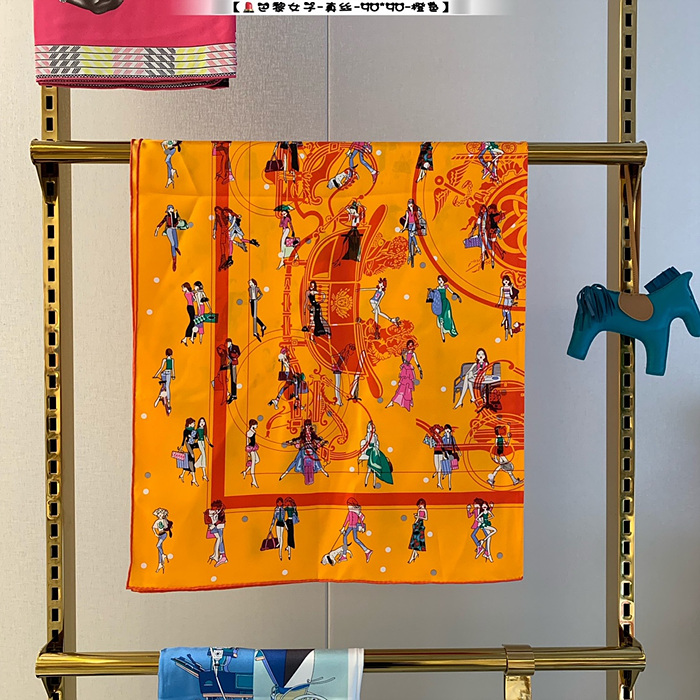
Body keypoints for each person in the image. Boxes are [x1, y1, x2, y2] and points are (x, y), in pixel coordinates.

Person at [280, 420, 329, 485]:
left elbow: (316, 438)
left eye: (309, 425)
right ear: (304, 426)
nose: (307, 426)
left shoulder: (312, 433)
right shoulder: (303, 433)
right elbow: (299, 438)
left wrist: (322, 441)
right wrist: (291, 441)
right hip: (304, 447)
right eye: (306, 425)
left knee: (315, 456)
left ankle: (322, 469)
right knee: (297, 458)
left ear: (310, 425)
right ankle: (286, 472)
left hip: (311, 447)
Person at [386, 339, 423, 411]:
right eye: (409, 345)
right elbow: (403, 360)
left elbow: (417, 362)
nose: (410, 347)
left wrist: (420, 371)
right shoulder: (405, 352)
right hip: (405, 370)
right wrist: (403, 355)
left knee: (408, 387)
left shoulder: (413, 354)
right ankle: (393, 401)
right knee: (402, 387)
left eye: (411, 345)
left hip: (409, 371)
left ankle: (407, 402)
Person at [358, 421, 393, 488]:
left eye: (374, 427)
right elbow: (366, 445)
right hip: (369, 450)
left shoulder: (375, 436)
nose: (374, 429)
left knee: (381, 455)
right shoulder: (368, 436)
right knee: (374, 451)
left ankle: (381, 471)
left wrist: (376, 448)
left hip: (374, 450)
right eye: (372, 427)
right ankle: (367, 480)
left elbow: (376, 444)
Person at [429, 275, 461, 342]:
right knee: (441, 320)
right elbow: (434, 295)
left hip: (445, 303)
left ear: (444, 281)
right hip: (439, 304)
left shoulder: (446, 287)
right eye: (439, 280)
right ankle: (442, 336)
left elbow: (452, 292)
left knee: (447, 316)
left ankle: (448, 330)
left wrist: (458, 297)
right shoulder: (437, 288)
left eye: (441, 280)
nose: (440, 281)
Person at [340, 497, 372, 563]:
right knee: (345, 537)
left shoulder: (356, 511)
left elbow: (361, 519)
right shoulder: (350, 511)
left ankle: (367, 550)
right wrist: (343, 527)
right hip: (350, 526)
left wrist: (362, 526)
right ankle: (344, 554)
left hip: (354, 526)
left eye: (349, 504)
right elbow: (347, 519)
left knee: (355, 539)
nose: (348, 506)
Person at [334, 200, 365, 266]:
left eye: (352, 209)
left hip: (354, 231)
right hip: (352, 230)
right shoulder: (354, 214)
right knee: (345, 243)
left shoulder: (357, 215)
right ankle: (339, 260)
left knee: (349, 243)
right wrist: (347, 208)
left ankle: (340, 260)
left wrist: (360, 205)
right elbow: (349, 210)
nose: (351, 211)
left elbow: (363, 210)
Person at [154, 204, 183, 271]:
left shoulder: (174, 215)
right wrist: (157, 229)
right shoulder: (166, 217)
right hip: (169, 230)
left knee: (176, 244)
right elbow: (162, 222)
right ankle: (174, 261)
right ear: (168, 210)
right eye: (170, 209)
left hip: (174, 229)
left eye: (172, 209)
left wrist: (176, 216)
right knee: (172, 244)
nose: (172, 210)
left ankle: (176, 248)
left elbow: (177, 222)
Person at [401, 199, 425, 267]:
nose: (410, 205)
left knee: (412, 234)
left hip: (414, 224)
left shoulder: (415, 211)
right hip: (410, 224)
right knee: (410, 237)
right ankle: (412, 251)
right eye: (409, 204)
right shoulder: (407, 212)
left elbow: (418, 218)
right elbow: (406, 221)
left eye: (411, 204)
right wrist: (403, 228)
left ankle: (416, 248)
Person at [205, 500, 227, 567]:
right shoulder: (215, 511)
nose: (214, 511)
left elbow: (220, 520)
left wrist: (214, 525)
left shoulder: (221, 513)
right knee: (218, 539)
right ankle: (218, 555)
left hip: (219, 526)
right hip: (216, 526)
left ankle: (222, 556)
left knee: (220, 540)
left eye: (215, 509)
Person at [153, 349, 174, 415]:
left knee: (164, 386)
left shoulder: (164, 360)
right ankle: (168, 401)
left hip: (163, 373)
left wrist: (156, 375)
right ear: (171, 354)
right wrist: (173, 375)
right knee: (167, 387)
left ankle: (160, 397)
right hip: (168, 373)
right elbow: (172, 369)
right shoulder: (172, 360)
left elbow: (161, 368)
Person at [497, 274, 519, 340]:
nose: (506, 281)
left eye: (507, 280)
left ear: (509, 281)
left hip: (509, 300)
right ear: (503, 281)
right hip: (505, 300)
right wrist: (499, 303)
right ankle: (504, 318)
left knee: (508, 311)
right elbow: (501, 296)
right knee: (504, 311)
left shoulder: (509, 287)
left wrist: (511, 288)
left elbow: (511, 294)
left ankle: (510, 328)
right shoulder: (502, 288)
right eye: (504, 280)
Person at [179, 417, 200, 486]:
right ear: (189, 424)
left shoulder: (194, 431)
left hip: (192, 444)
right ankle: (194, 478)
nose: (194, 424)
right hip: (188, 444)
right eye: (193, 423)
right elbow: (183, 440)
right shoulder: (186, 431)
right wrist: (181, 447)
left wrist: (194, 436)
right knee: (191, 458)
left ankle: (182, 475)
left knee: (189, 460)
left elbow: (197, 437)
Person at [440, 424, 460, 491]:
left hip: (451, 453)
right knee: (446, 466)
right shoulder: (443, 438)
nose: (447, 430)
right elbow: (442, 447)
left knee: (450, 469)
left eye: (448, 429)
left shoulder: (452, 438)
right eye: (446, 429)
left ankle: (449, 484)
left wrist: (458, 451)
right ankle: (445, 475)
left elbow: (455, 445)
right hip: (445, 453)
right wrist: (444, 454)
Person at [152, 508, 172, 573]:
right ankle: (160, 563)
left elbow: (167, 527)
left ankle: (163, 555)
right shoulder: (157, 521)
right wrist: (156, 534)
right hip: (159, 535)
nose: (160, 515)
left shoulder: (164, 520)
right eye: (159, 514)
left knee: (158, 546)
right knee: (159, 548)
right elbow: (153, 528)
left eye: (161, 514)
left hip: (163, 534)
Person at [408, 499, 428, 563]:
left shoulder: (424, 510)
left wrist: (419, 517)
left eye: (420, 505)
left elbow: (426, 518)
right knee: (415, 539)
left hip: (421, 524)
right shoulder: (419, 510)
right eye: (419, 505)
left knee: (418, 540)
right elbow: (417, 518)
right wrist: (415, 522)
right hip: (417, 524)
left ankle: (413, 556)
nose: (419, 506)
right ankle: (414, 555)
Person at [242, 419, 260, 488]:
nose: (256, 426)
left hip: (254, 447)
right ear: (252, 425)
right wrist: (248, 452)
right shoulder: (249, 432)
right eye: (256, 424)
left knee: (257, 460)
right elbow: (247, 442)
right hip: (251, 449)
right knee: (253, 466)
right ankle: (254, 481)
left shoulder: (253, 431)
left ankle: (245, 471)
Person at [194, 417, 214, 482]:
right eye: (201, 422)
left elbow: (206, 437)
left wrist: (209, 443)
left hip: (203, 442)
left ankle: (203, 473)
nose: (202, 423)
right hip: (199, 442)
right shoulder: (197, 429)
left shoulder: (204, 429)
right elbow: (195, 437)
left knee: (203, 456)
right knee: (203, 455)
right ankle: (202, 472)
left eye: (203, 422)